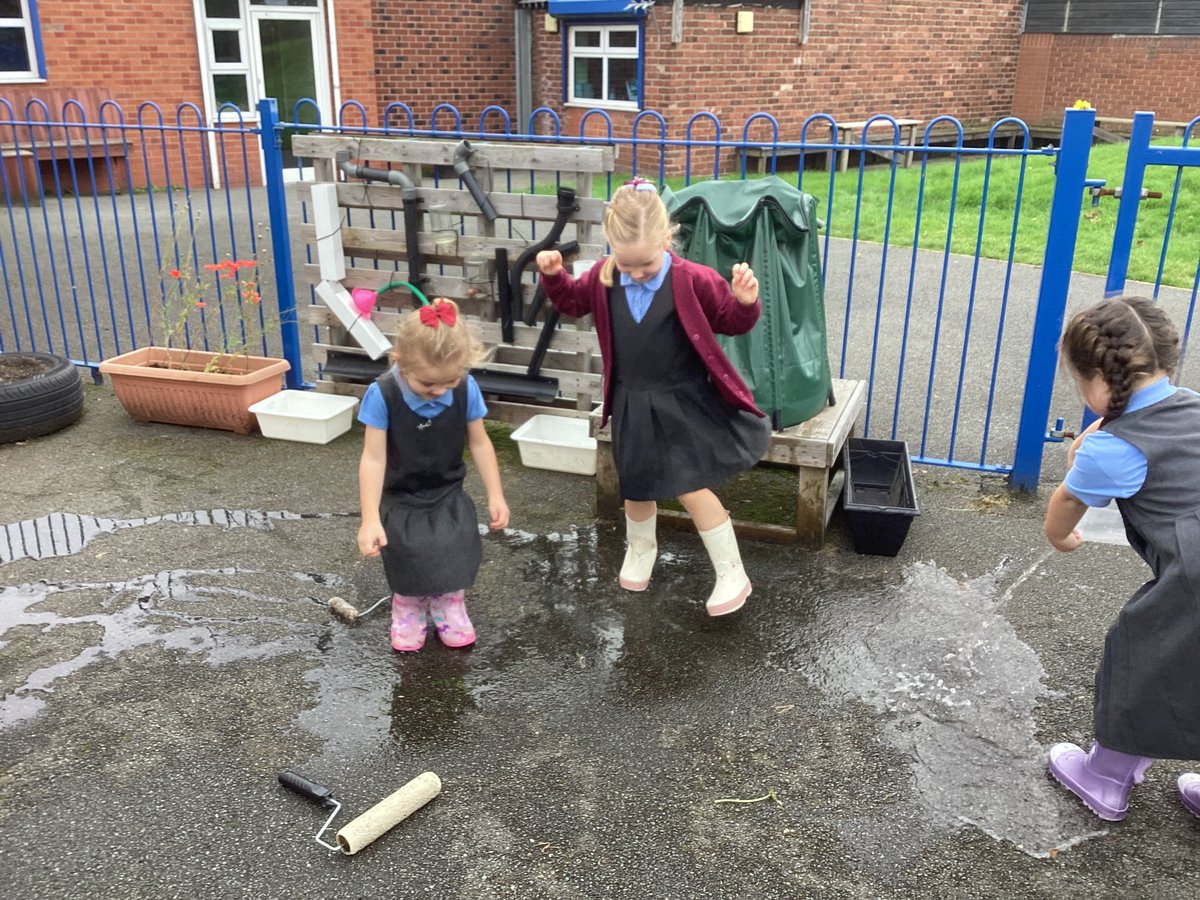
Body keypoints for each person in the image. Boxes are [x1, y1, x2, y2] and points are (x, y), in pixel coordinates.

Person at [535, 178, 771, 616]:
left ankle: (732, 571)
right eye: (629, 266)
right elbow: (572, 303)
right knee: (636, 484)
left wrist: (744, 302)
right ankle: (641, 550)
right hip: (631, 399)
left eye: (646, 264)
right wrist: (554, 277)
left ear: (667, 238)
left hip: (681, 400)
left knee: (689, 486)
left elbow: (730, 321)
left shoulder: (692, 278)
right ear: (611, 247)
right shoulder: (605, 274)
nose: (637, 273)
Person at [1042, 294, 1200, 822]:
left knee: (1145, 661)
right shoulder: (1191, 405)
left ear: (1095, 381)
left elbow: (1068, 499)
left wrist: (1059, 537)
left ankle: (1106, 778)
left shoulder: (1115, 449)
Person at [356, 297, 509, 652]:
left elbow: (482, 444)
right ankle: (407, 607)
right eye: (428, 384)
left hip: (446, 489)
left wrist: (496, 494)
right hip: (401, 493)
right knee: (407, 550)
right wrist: (368, 519)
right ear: (401, 362)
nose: (440, 390)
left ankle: (449, 603)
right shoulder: (382, 395)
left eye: (449, 381)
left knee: (456, 543)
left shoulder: (466, 388)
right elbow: (373, 459)